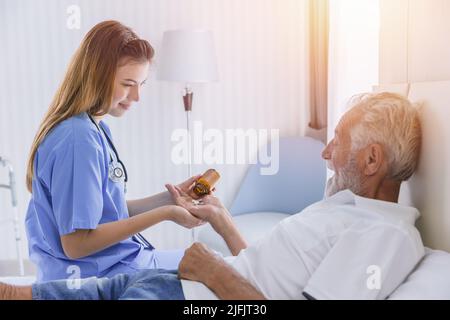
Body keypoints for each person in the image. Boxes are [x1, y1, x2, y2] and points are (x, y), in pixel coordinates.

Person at [3, 92, 424, 300]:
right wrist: (222, 222)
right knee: (103, 289)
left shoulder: (385, 235)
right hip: (193, 283)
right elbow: (267, 271)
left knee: (116, 292)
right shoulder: (345, 208)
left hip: (202, 296)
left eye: (337, 141)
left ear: (372, 160)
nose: (326, 152)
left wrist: (212, 270)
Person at [24, 20, 207, 282]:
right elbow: (76, 244)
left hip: (115, 263)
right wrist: (165, 214)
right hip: (96, 277)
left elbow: (107, 211)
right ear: (96, 75)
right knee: (213, 270)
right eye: (127, 84)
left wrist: (170, 199)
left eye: (142, 84)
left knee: (208, 260)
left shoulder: (95, 129)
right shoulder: (79, 141)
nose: (136, 97)